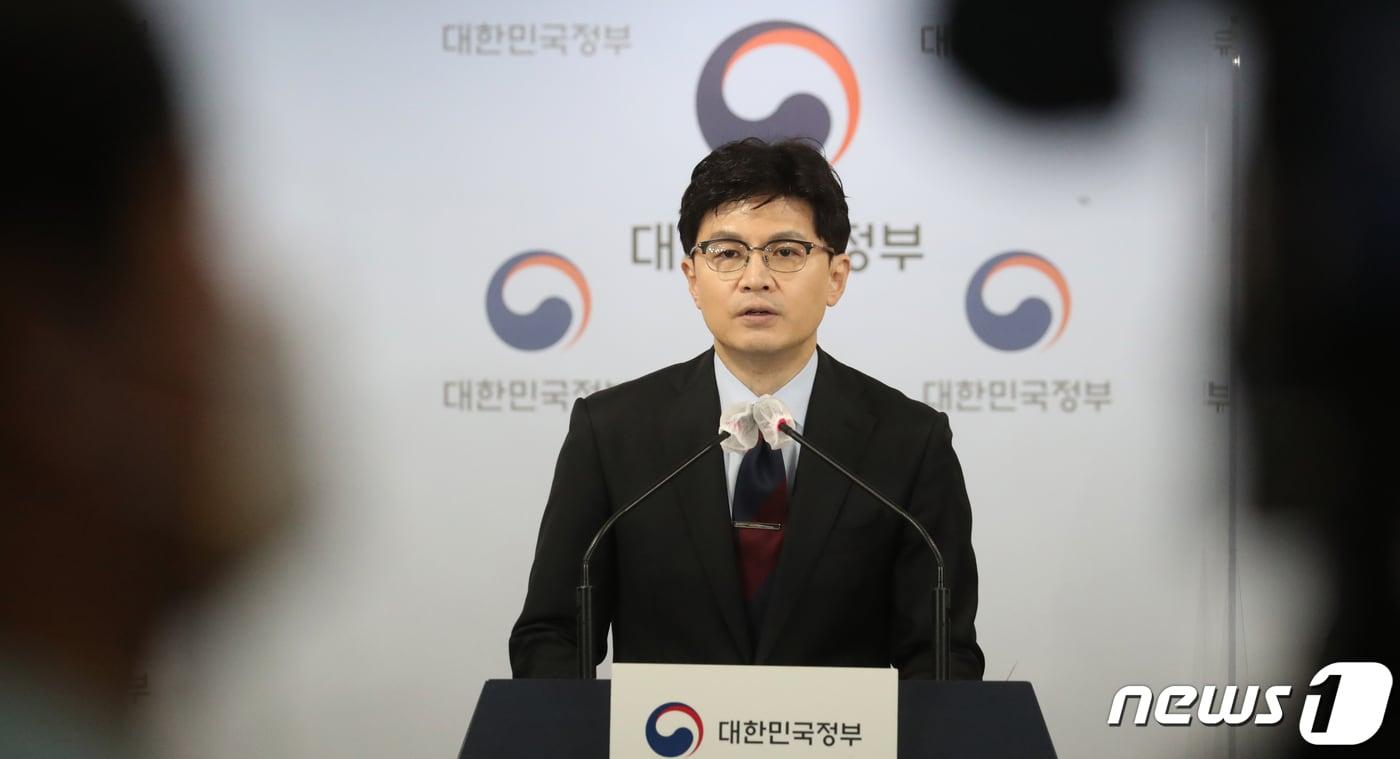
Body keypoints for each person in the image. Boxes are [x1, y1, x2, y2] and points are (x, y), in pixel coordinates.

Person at [509, 138, 983, 679]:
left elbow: (942, 656)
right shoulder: (612, 432)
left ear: (835, 277)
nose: (755, 278)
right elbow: (553, 635)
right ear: (693, 278)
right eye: (728, 253)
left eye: (786, 251)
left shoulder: (909, 441)